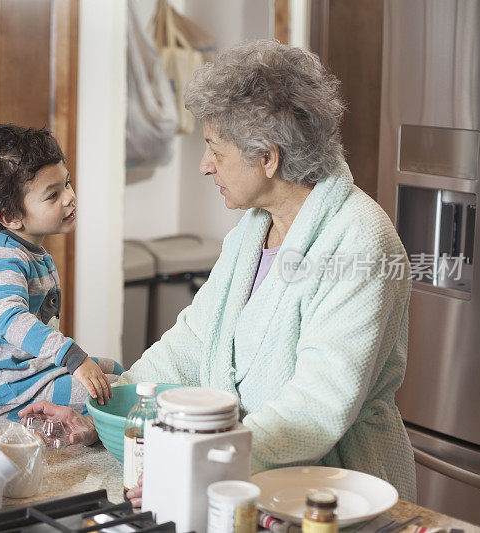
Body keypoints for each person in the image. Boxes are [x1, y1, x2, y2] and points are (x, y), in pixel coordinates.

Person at [21, 40, 416, 502]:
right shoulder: (252, 230)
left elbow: (316, 407)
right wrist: (108, 411)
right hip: (238, 482)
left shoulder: (360, 242)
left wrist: (200, 461)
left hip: (332, 495)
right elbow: (193, 342)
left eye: (214, 149)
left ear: (268, 157)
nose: (206, 166)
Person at [0, 124, 123, 419]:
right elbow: (11, 319)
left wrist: (76, 361)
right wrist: (73, 357)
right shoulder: (2, 258)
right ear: (11, 217)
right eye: (52, 195)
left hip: (32, 373)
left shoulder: (30, 251)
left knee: (115, 371)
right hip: (9, 390)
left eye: (67, 184)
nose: (69, 197)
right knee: (111, 392)